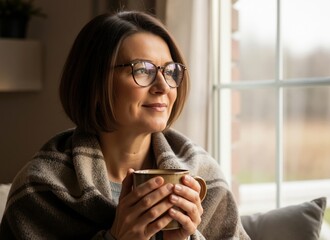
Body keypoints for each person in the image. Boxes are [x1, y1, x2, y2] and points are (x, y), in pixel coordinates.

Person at [0, 11, 250, 240]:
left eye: (170, 71)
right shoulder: (41, 189)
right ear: (95, 82)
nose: (163, 86)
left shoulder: (203, 176)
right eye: (142, 70)